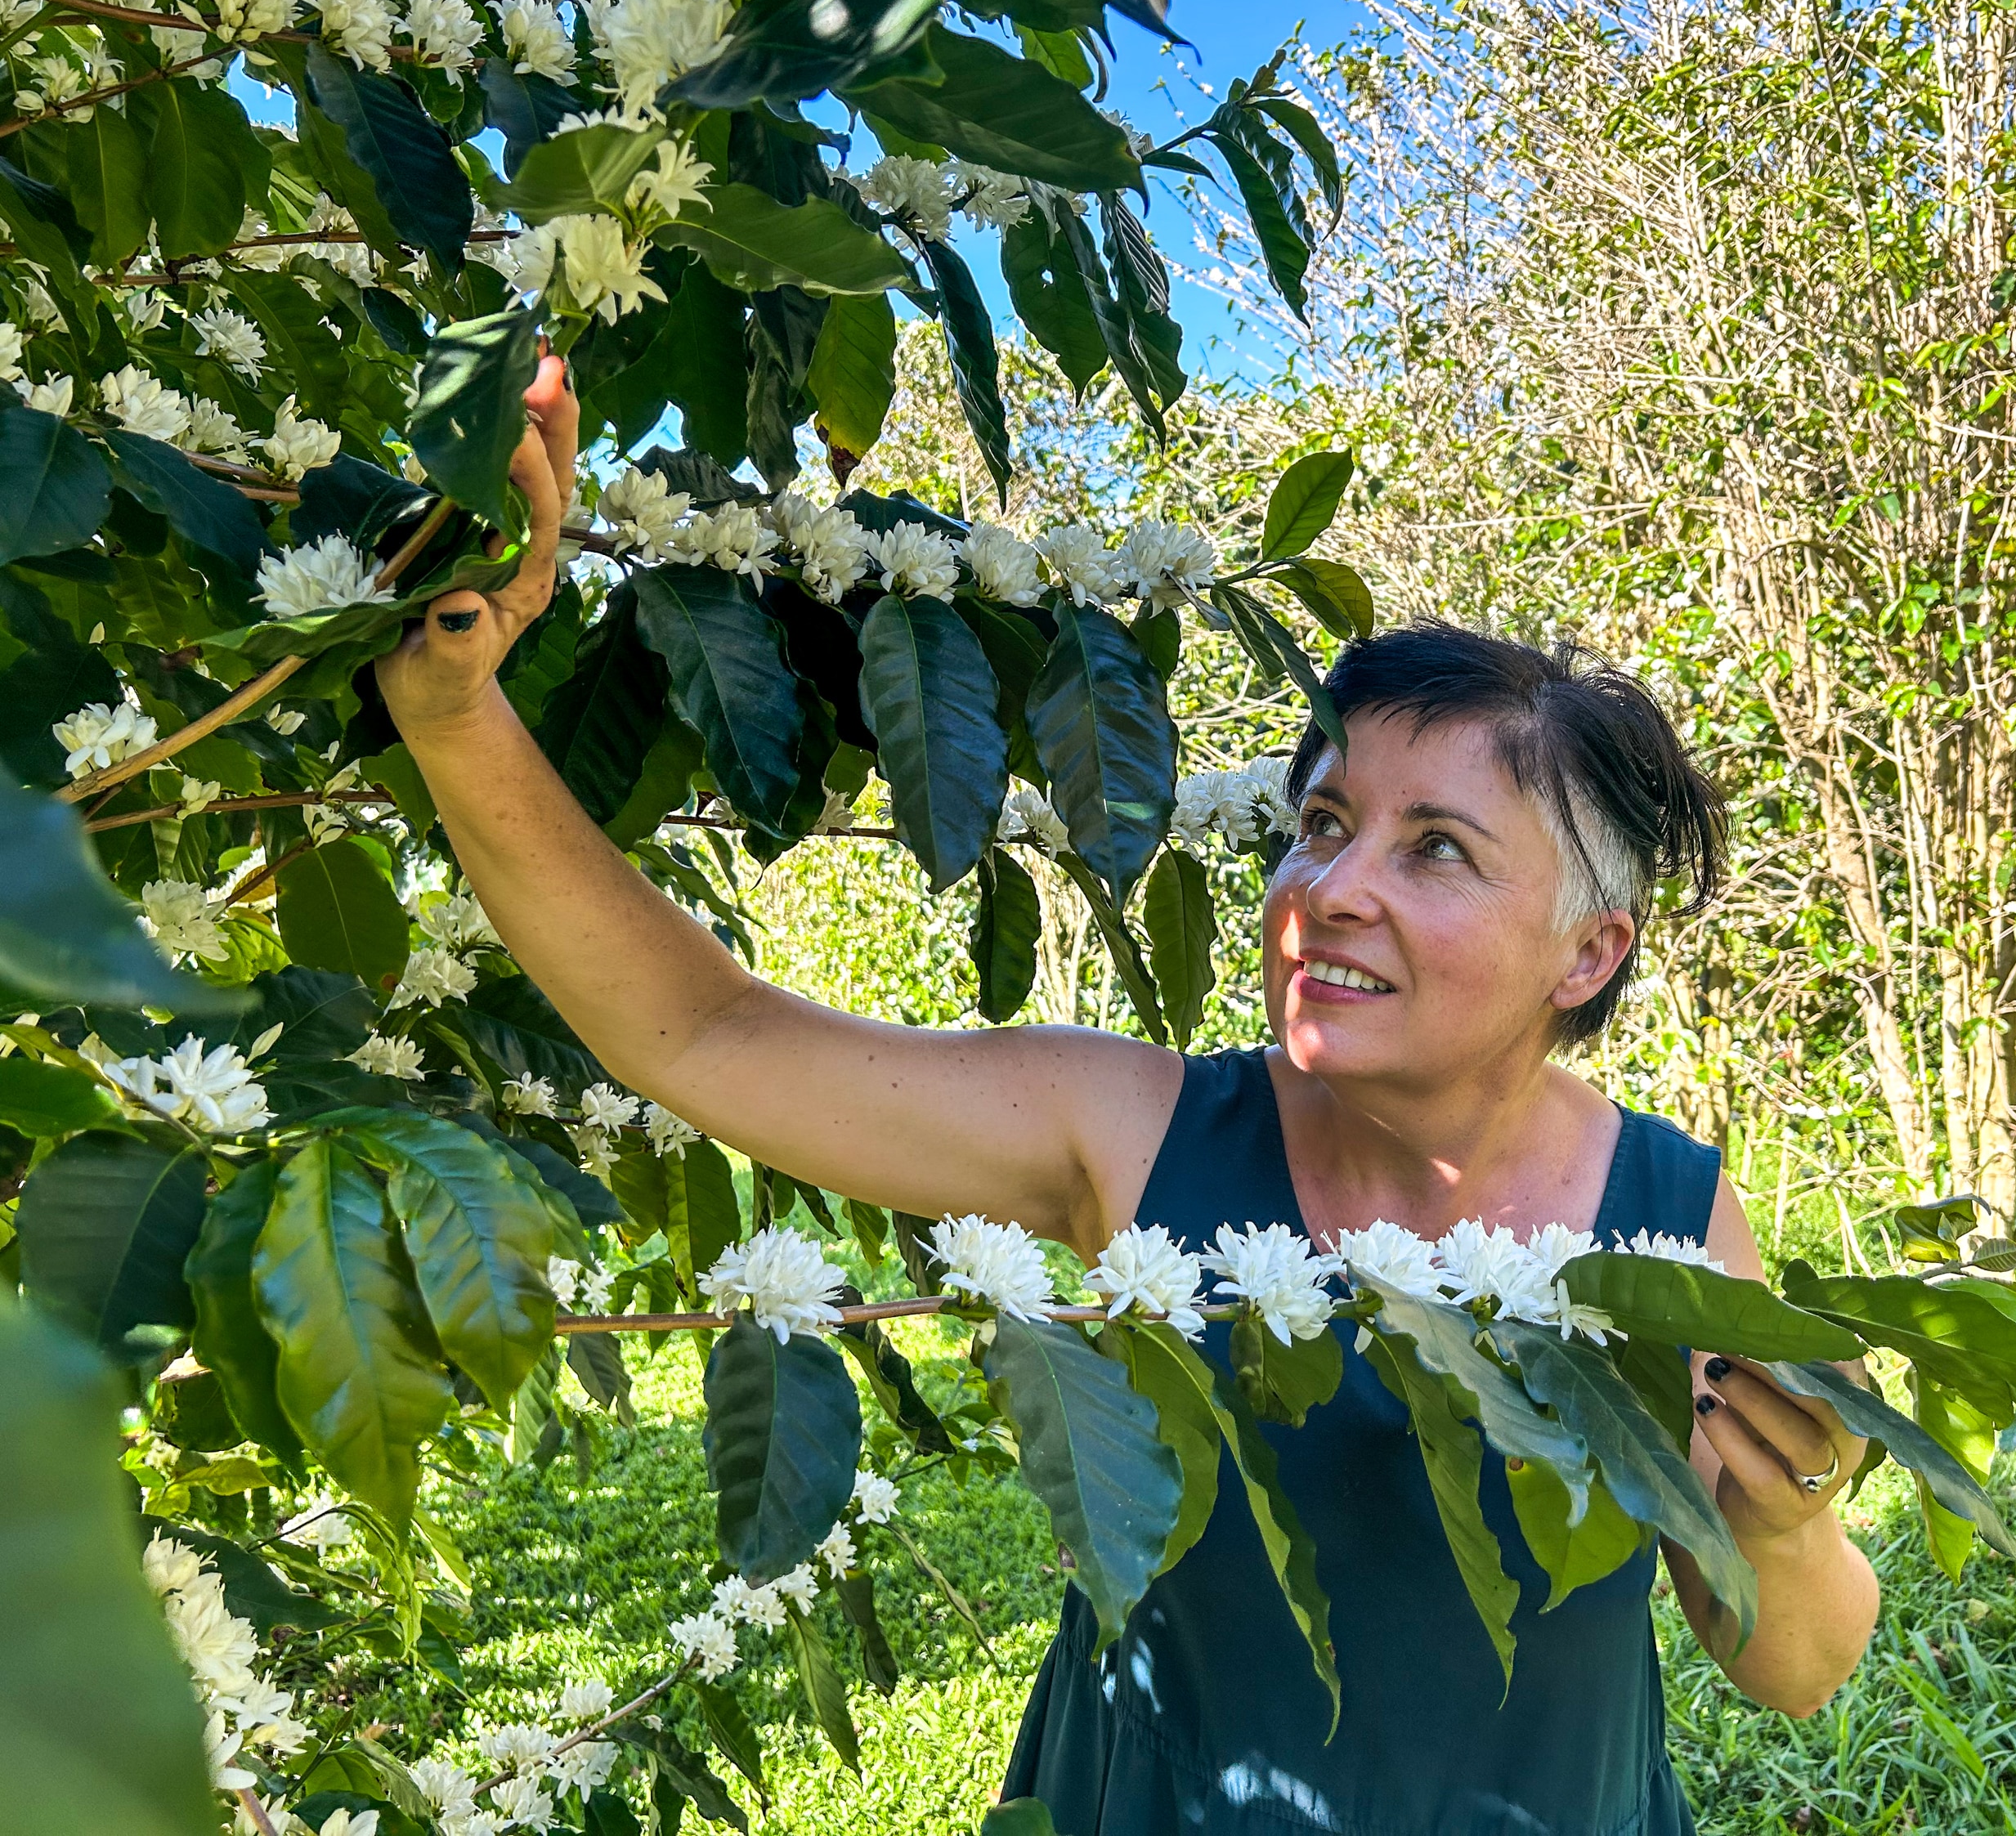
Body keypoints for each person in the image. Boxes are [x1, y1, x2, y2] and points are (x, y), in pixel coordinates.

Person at [380, 360, 1880, 1834]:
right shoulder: (1126, 1135)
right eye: (1323, 822)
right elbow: (707, 1036)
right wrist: (456, 718)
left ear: (1588, 950)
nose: (1329, 890)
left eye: (1436, 850)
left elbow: (1795, 1665)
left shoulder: (1671, 1230)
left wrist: (1784, 1519)